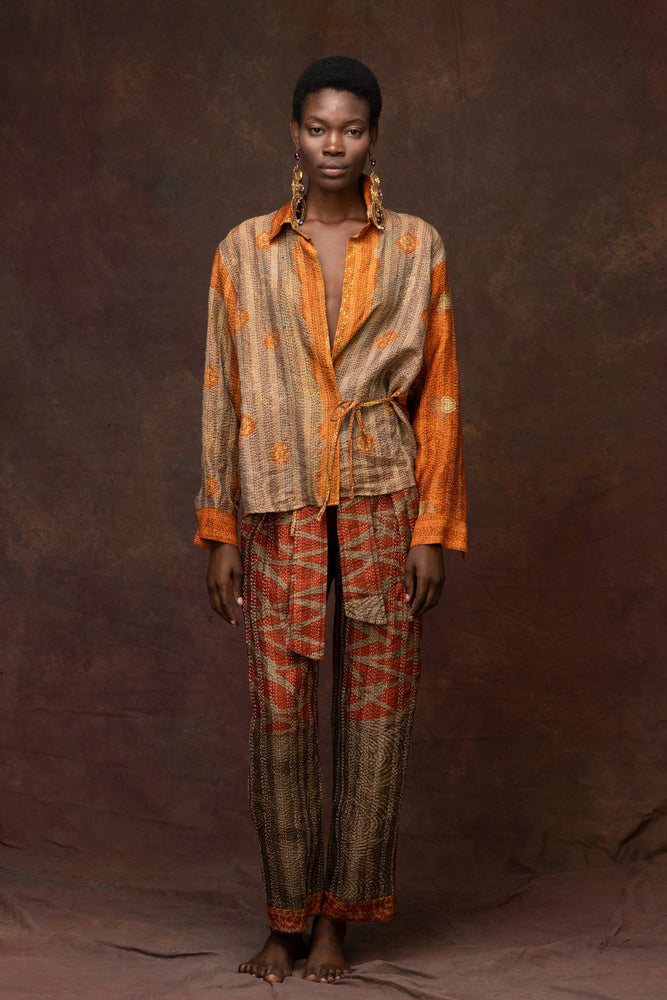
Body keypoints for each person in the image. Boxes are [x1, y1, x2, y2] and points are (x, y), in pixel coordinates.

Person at [195, 56, 467, 984]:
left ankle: (338, 920)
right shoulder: (244, 249)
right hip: (277, 502)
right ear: (294, 133)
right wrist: (219, 528)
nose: (333, 145)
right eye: (318, 128)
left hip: (384, 496)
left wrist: (431, 529)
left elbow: (439, 395)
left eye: (350, 129)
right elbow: (222, 390)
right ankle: (283, 917)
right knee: (280, 712)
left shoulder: (416, 246)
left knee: (375, 711)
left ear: (373, 136)